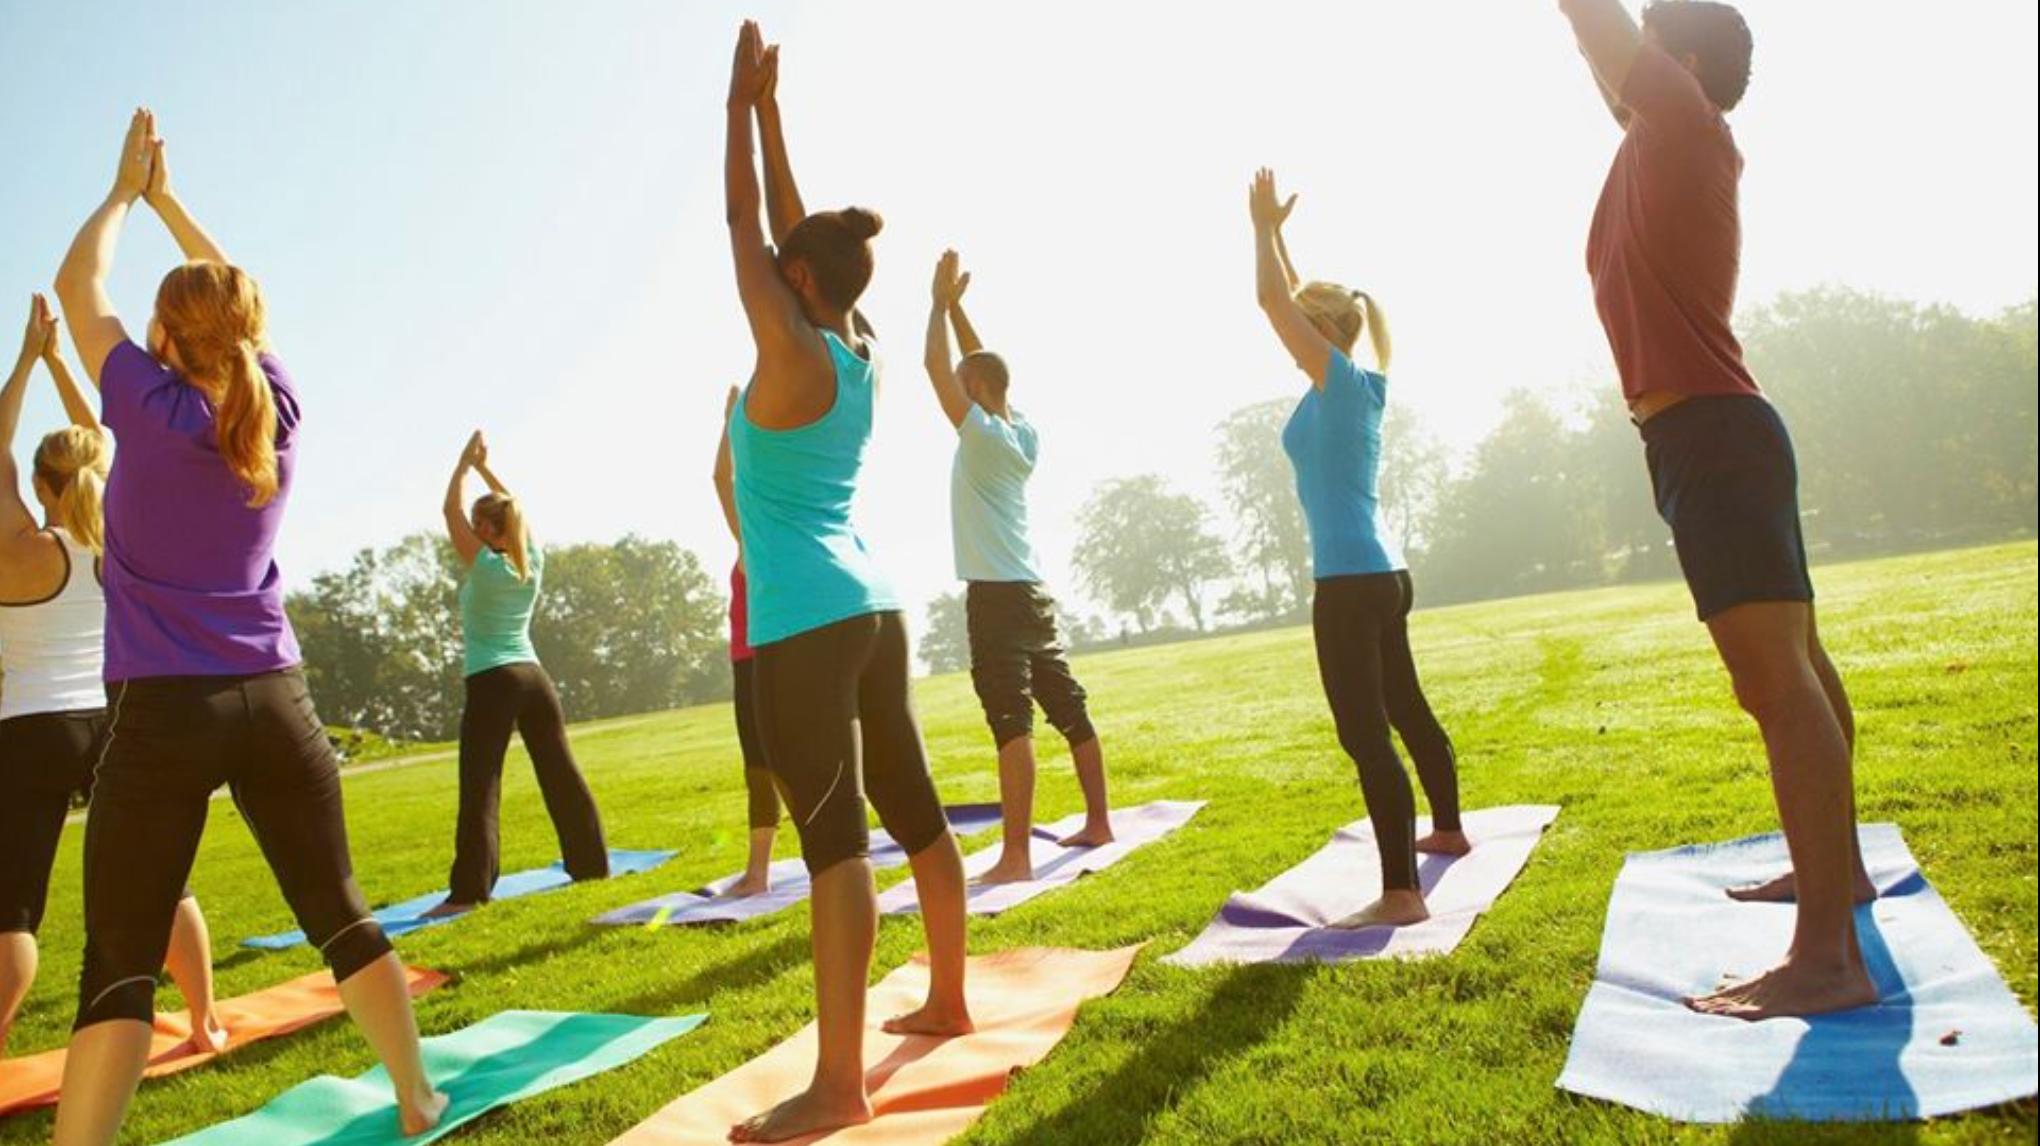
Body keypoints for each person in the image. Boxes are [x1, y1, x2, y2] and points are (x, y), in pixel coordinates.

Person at [47, 110, 445, 1144]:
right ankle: (417, 1093)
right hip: (276, 698)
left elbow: (76, 286)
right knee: (341, 911)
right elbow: (240, 305)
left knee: (120, 961)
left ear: (167, 340)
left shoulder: (148, 403)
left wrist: (124, 194)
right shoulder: (277, 406)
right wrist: (176, 202)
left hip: (165, 715)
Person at [1558, 0, 1875, 1019]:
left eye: (1652, 42)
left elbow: (1592, 23)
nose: (1630, 60)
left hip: (1716, 438)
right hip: (1711, 436)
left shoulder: (1686, 125)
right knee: (1802, 673)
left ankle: (1826, 957)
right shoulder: (1662, 145)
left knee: (1776, 686)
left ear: (1681, 63)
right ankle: (1842, 881)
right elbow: (1604, 58)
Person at [723, 23, 972, 1142]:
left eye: (789, 264)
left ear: (801, 281)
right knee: (912, 805)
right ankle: (952, 998)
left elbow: (747, 224)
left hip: (805, 621)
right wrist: (774, 114)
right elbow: (788, 228)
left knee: (834, 844)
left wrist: (734, 110)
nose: (774, 265)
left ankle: (837, 1086)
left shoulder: (785, 343)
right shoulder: (854, 340)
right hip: (874, 607)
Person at [0, 294, 223, 1059]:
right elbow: (105, 439)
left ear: (37, 487)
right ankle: (203, 1024)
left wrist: (27, 361)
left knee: (13, 910)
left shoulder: (21, 550)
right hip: (120, 716)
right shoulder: (126, 535)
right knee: (167, 882)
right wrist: (65, 362)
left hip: (32, 730)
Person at [1247, 169, 1467, 930]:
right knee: (1403, 704)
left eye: (1307, 329)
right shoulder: (1351, 382)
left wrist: (1254, 229)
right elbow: (1302, 297)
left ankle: (1401, 892)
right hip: (1382, 570)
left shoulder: (1339, 382)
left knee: (1364, 731)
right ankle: (1447, 828)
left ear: (1325, 334)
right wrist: (1278, 232)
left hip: (1348, 578)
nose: (1287, 336)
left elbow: (1277, 302)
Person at [921, 250, 1113, 884]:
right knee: (1068, 705)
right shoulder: (1021, 432)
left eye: (963, 380)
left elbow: (937, 367)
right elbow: (983, 370)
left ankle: (1016, 858)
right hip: (1032, 591)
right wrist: (957, 308)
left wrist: (932, 304)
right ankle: (1098, 821)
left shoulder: (978, 435)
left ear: (974, 390)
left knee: (1012, 720)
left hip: (997, 598)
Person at [427, 430, 610, 917]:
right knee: (561, 773)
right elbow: (516, 512)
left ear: (489, 530)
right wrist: (487, 470)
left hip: (494, 679)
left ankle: (469, 890)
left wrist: (464, 466)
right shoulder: (534, 562)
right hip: (534, 678)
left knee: (480, 783)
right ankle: (592, 864)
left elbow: (448, 512)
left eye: (476, 523)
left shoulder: (487, 566)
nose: (468, 526)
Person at [713, 384, 780, 897]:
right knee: (763, 767)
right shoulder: (753, 537)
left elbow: (721, 477)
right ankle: (757, 871)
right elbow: (722, 479)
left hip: (769, 662)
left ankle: (760, 873)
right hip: (750, 663)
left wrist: (732, 417)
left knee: (770, 766)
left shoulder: (762, 538)